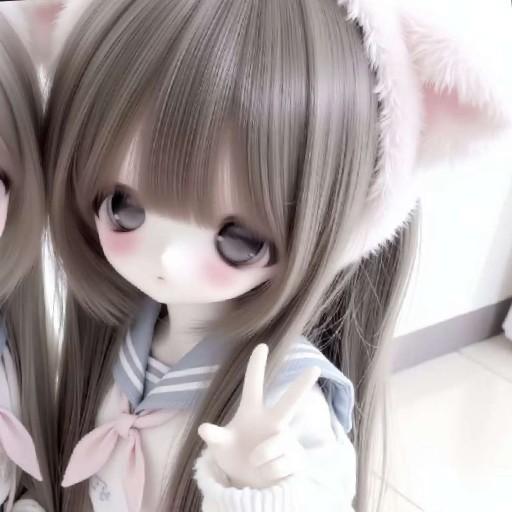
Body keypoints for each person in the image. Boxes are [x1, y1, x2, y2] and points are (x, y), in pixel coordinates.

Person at [45, 0, 512, 511]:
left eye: (238, 239)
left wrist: (261, 493)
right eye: (124, 207)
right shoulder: (122, 337)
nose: (170, 259)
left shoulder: (286, 397)